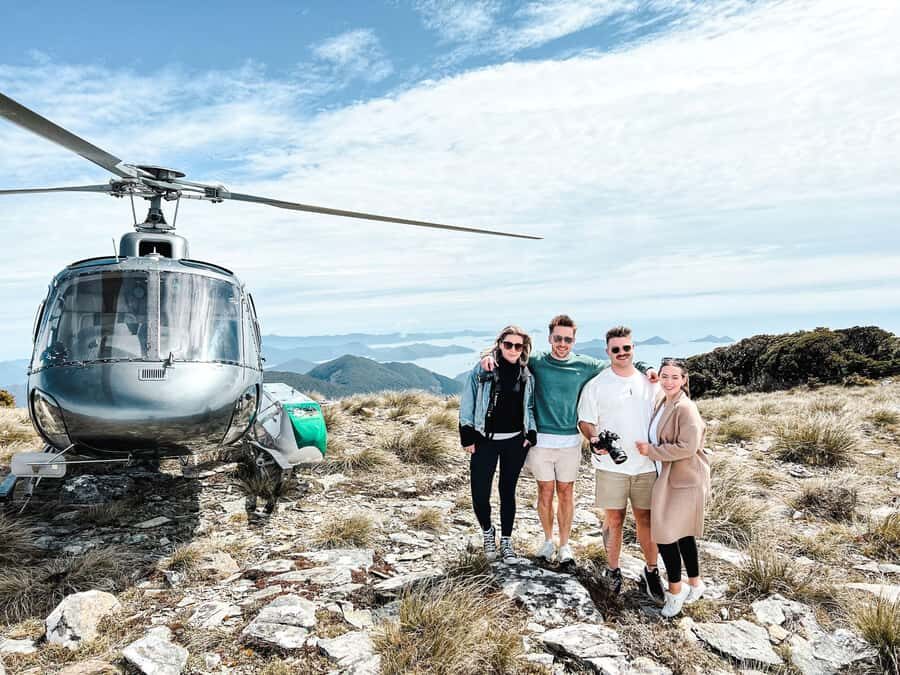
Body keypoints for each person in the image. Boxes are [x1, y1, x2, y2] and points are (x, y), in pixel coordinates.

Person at [483, 316, 656, 565]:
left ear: (574, 340)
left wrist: (646, 366)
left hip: (570, 440)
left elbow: (619, 362)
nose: (562, 343)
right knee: (545, 491)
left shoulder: (585, 365)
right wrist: (488, 358)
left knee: (566, 492)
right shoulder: (537, 361)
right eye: (558, 338)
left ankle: (565, 545)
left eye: (567, 339)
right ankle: (547, 541)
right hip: (540, 440)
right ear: (550, 338)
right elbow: (509, 354)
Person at [577, 326, 666, 604]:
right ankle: (612, 569)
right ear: (608, 352)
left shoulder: (650, 383)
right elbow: (585, 421)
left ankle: (651, 571)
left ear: (633, 348)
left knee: (646, 520)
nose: (622, 353)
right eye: (616, 349)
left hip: (646, 466)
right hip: (611, 466)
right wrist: (593, 438)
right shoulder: (597, 385)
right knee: (614, 520)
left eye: (626, 348)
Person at [635, 357, 710, 618]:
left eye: (674, 377)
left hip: (684, 480)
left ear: (684, 380)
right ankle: (696, 583)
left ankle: (675, 592)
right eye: (664, 376)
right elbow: (638, 363)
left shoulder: (685, 407)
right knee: (683, 533)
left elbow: (688, 447)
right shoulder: (662, 401)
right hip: (670, 477)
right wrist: (647, 369)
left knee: (665, 535)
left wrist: (651, 451)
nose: (668, 381)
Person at [459, 326, 537, 562]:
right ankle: (487, 532)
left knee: (507, 492)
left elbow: (529, 406)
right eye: (508, 344)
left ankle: (506, 541)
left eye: (518, 346)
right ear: (500, 344)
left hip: (515, 442)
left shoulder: (527, 373)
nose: (513, 349)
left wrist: (530, 433)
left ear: (524, 348)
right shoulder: (483, 369)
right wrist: (467, 435)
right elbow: (468, 401)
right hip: (485, 441)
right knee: (480, 493)